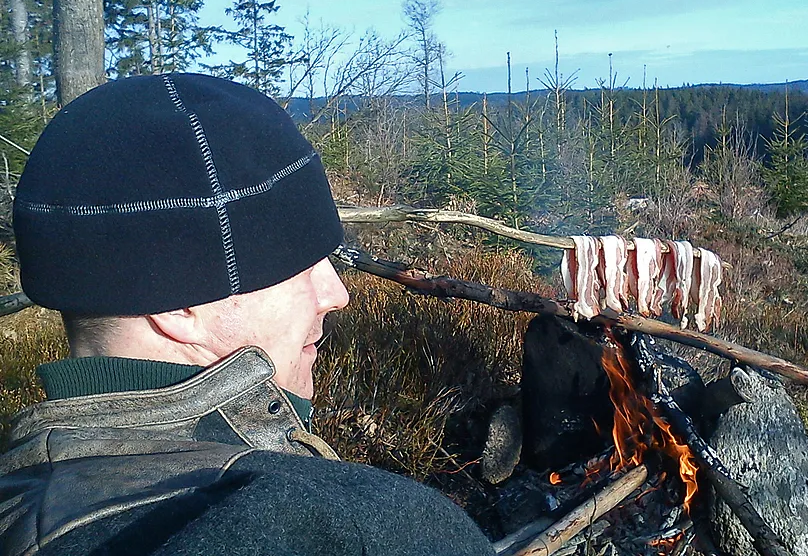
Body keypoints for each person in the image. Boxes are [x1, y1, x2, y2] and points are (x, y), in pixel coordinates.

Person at [0, 74, 495, 556]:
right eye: (298, 261)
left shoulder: (20, 494)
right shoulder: (359, 524)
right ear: (178, 305)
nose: (336, 293)